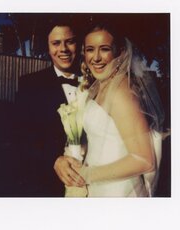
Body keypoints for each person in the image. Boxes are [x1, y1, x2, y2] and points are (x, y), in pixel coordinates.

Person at [54, 22, 165, 197]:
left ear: (119, 52)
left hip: (118, 191)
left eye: (104, 49)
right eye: (90, 49)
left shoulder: (122, 93)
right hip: (97, 187)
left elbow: (144, 160)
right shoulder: (100, 86)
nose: (96, 58)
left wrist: (88, 175)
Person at [14, 17, 81, 197]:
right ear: (48, 47)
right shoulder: (30, 84)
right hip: (48, 187)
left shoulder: (97, 82)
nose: (63, 49)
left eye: (70, 42)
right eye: (56, 43)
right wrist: (54, 159)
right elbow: (20, 138)